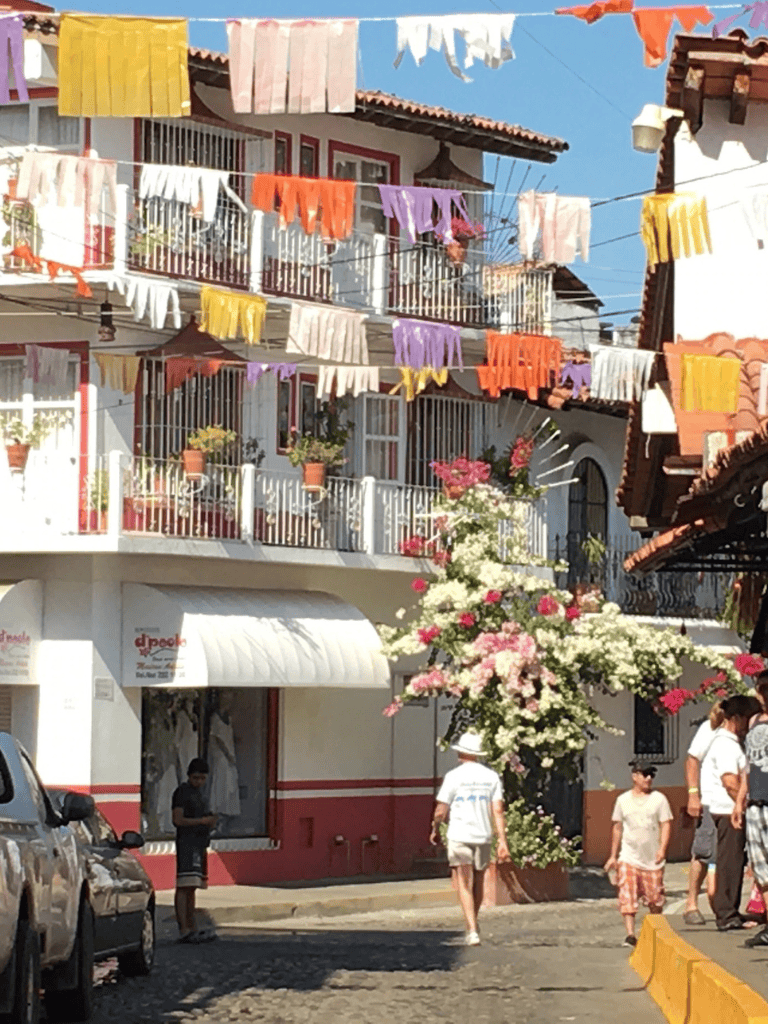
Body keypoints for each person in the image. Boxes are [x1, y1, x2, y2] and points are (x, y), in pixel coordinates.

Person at [430, 731, 511, 947]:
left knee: (464, 883)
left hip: (460, 834)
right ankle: (473, 923)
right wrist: (502, 840)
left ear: (461, 752)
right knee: (478, 881)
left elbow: (440, 809)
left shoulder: (453, 776)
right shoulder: (491, 776)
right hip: (483, 835)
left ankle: (472, 929)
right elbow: (498, 810)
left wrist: (435, 827)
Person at [704, 695, 759, 931]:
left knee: (734, 861)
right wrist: (746, 803)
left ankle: (731, 911)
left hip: (728, 809)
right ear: (736, 719)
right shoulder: (726, 745)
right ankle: (726, 915)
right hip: (728, 810)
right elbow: (730, 781)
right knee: (730, 862)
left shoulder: (727, 742)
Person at [604, 761, 673, 948]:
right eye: (645, 774)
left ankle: (655, 932)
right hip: (629, 856)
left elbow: (665, 824)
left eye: (651, 774)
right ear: (635, 776)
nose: (649, 778)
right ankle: (630, 934)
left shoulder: (659, 799)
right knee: (627, 894)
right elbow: (617, 827)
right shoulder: (623, 800)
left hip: (652, 858)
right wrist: (613, 856)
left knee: (655, 899)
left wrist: (662, 849)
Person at [682, 701, 725, 924]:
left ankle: (726, 906)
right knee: (702, 850)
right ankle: (691, 904)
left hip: (734, 801)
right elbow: (692, 760)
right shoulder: (708, 729)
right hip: (710, 799)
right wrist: (693, 794)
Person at [733, 675, 768, 947]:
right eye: (762, 688)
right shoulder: (754, 723)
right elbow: (748, 768)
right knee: (761, 868)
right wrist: (739, 801)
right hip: (755, 804)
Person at [172, 757, 217, 944]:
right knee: (184, 886)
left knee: (192, 887)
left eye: (202, 778)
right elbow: (177, 819)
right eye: (196, 777)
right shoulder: (182, 793)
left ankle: (192, 926)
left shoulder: (201, 795)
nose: (199, 781)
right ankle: (183, 928)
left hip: (199, 843)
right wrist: (201, 822)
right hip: (187, 843)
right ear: (190, 776)